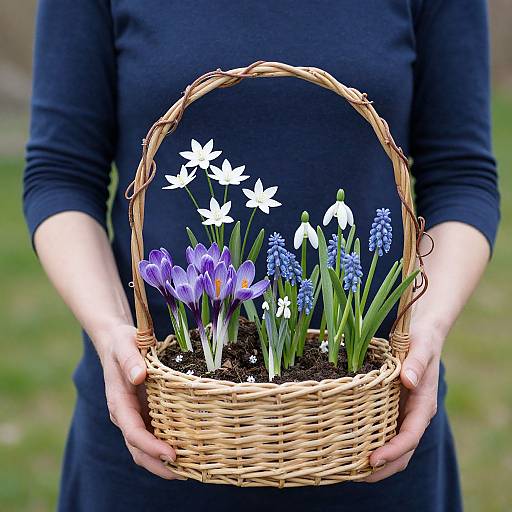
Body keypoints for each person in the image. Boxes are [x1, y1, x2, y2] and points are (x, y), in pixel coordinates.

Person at [23, 1, 499, 511]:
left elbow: (461, 177)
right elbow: (60, 174)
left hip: (374, 431)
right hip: (153, 424)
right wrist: (110, 329)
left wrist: (427, 329)